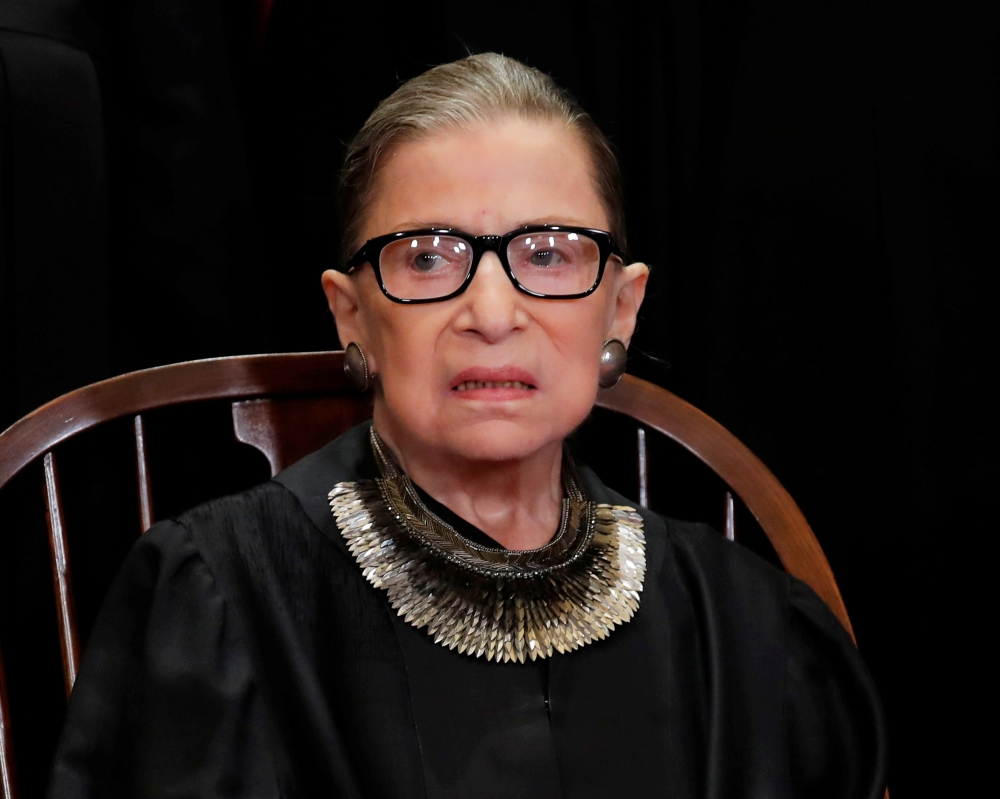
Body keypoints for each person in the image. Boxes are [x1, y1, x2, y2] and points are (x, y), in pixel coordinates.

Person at [48, 54, 887, 798]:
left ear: (621, 307)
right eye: (428, 257)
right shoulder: (220, 597)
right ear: (352, 315)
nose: (491, 311)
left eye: (549, 252)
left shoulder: (742, 621)